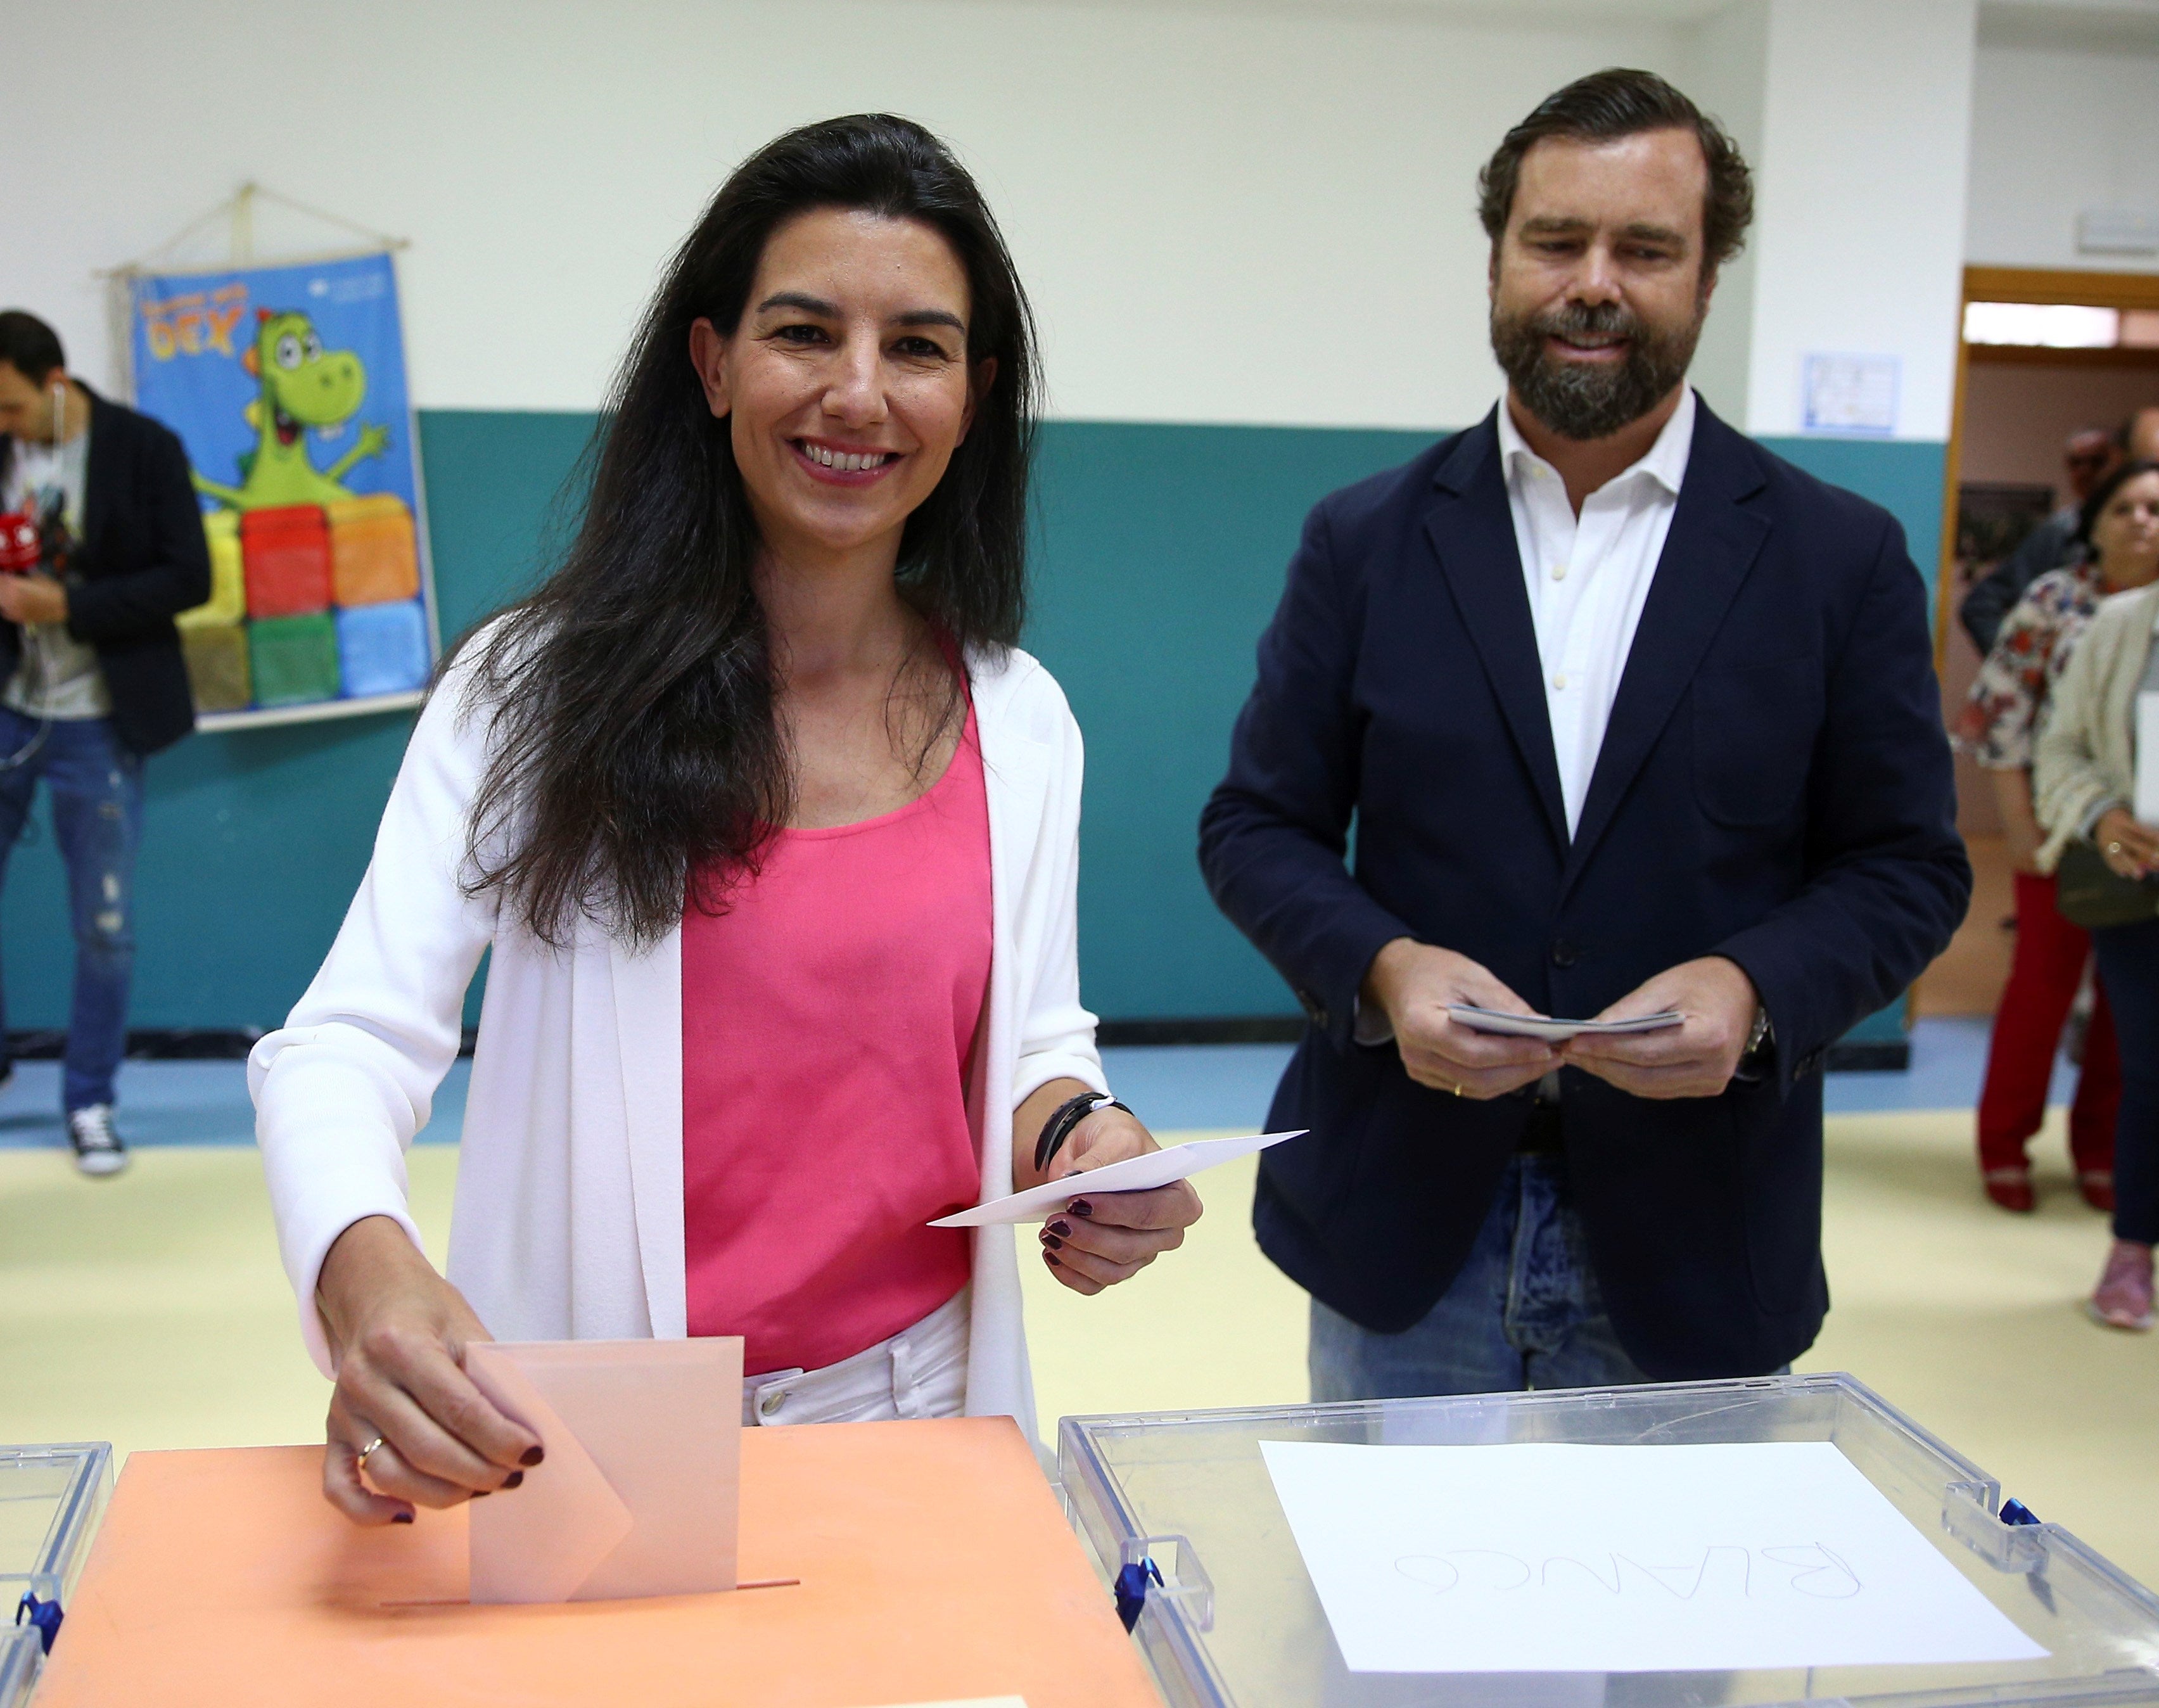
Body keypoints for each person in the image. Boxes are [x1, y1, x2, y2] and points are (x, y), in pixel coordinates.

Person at [252, 115, 1202, 1526]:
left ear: (977, 394)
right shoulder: (530, 690)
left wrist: (1086, 1141)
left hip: (922, 1418)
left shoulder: (1021, 717)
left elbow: (1031, 1039)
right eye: (804, 333)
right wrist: (365, 1263)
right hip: (589, 1430)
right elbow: (346, 1041)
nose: (858, 394)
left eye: (920, 348)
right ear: (711, 363)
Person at [1198, 68, 1970, 1399]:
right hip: (1403, 1221)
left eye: (1646, 249)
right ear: (1498, 260)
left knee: (1678, 1608)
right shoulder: (1366, 540)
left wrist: (1756, 989)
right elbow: (1257, 828)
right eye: (1556, 241)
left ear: (1707, 282)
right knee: (1394, 1605)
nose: (1593, 282)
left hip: (1700, 1228)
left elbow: (1908, 865)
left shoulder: (1838, 558)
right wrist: (1383, 967)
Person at [0, 311, 209, 1177]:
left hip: (100, 719)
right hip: (9, 704)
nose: (1, 427)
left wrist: (69, 609)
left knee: (105, 926)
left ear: (54, 384)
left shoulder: (143, 448)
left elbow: (188, 577)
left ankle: (89, 1102)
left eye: (11, 410)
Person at [1953, 464, 2159, 1213]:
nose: (2143, 522)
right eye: (2128, 508)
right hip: (2065, 825)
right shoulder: (2054, 601)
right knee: (2042, 991)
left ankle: (2102, 1148)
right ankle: (2004, 1143)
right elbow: (2002, 721)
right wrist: (2025, 832)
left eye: (2158, 510)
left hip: (2149, 841)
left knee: (2124, 1006)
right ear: (2097, 524)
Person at [2033, 476, 2159, 1333]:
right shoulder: (2119, 627)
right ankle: (2132, 1253)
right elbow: (2062, 745)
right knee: (2151, 1073)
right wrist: (2105, 817)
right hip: (2140, 885)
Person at [1964, 413, 2156, 656]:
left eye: (2097, 461)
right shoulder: (2059, 565)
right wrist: (2018, 661)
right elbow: (1983, 604)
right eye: (2076, 463)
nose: (2139, 521)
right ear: (2095, 531)